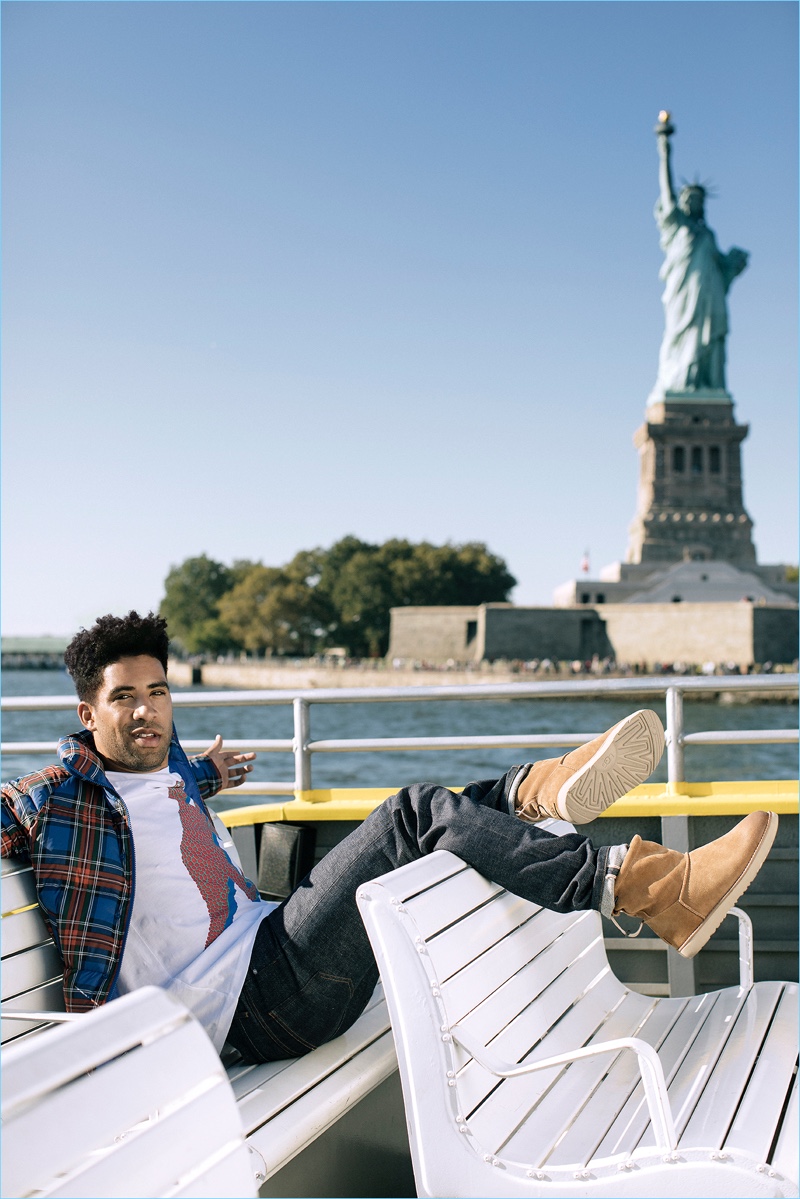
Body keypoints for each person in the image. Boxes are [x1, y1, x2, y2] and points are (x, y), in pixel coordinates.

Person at [2, 611, 777, 1064]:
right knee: (411, 814)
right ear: (87, 714)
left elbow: (166, 783)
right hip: (248, 1004)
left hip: (272, 944)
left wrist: (206, 770)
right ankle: (637, 884)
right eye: (124, 699)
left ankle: (530, 792)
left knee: (436, 822)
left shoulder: (169, 769)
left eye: (158, 691)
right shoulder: (58, 799)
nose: (146, 711)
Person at [651, 114, 748, 397]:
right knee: (679, 338)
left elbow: (722, 270)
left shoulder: (708, 235)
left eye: (698, 200)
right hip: (683, 297)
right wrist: (664, 149)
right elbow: (666, 190)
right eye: (688, 198)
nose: (693, 202)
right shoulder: (676, 227)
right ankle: (679, 383)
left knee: (709, 339)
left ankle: (707, 386)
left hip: (709, 296)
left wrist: (733, 265)